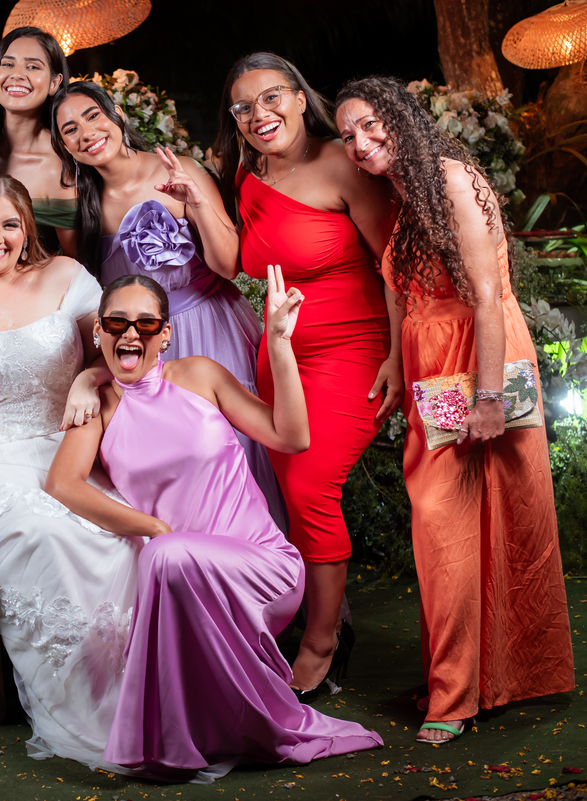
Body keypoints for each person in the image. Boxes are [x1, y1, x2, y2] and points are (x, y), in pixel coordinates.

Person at [46, 272, 384, 778]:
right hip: (181, 573)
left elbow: (291, 437)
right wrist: (154, 527)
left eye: (146, 323)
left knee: (165, 557)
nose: (131, 333)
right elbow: (62, 483)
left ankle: (170, 738)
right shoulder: (98, 406)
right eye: (117, 322)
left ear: (165, 334)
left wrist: (279, 344)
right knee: (166, 559)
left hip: (263, 567)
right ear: (99, 331)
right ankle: (185, 738)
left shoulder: (200, 375)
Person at [335, 76, 574, 743]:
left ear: (401, 118)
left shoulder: (453, 181)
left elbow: (488, 296)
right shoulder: (407, 192)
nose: (360, 142)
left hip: (478, 359)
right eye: (348, 134)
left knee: (492, 523)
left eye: (370, 124)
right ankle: (466, 680)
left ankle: (460, 695)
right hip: (433, 367)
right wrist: (393, 357)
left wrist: (490, 397)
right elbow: (401, 290)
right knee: (447, 530)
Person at [0, 174, 145, 772]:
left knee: (126, 536)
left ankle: (145, 692)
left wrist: (89, 378)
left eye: (10, 224)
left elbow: (116, 353)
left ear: (27, 231)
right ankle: (91, 706)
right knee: (47, 533)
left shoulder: (65, 276)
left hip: (77, 445)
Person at [216, 53, 403, 699]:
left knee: (312, 488)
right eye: (244, 106)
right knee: (290, 494)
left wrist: (398, 355)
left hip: (355, 351)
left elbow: (395, 263)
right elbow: (241, 259)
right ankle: (308, 620)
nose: (259, 114)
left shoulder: (342, 164)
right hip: (282, 358)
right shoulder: (249, 174)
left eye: (271, 97)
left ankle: (323, 640)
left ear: (300, 98)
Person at [51, 80, 287, 534]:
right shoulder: (81, 206)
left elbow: (229, 265)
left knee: (233, 448)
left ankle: (257, 560)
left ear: (117, 114)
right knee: (171, 464)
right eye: (70, 130)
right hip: (140, 345)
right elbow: (89, 296)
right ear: (65, 147)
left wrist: (195, 201)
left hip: (210, 327)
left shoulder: (179, 169)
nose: (86, 133)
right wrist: (91, 374)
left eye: (93, 116)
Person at [0, 26, 78, 256]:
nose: (17, 74)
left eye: (32, 66)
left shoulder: (60, 164)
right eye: (7, 64)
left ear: (54, 83)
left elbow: (76, 262)